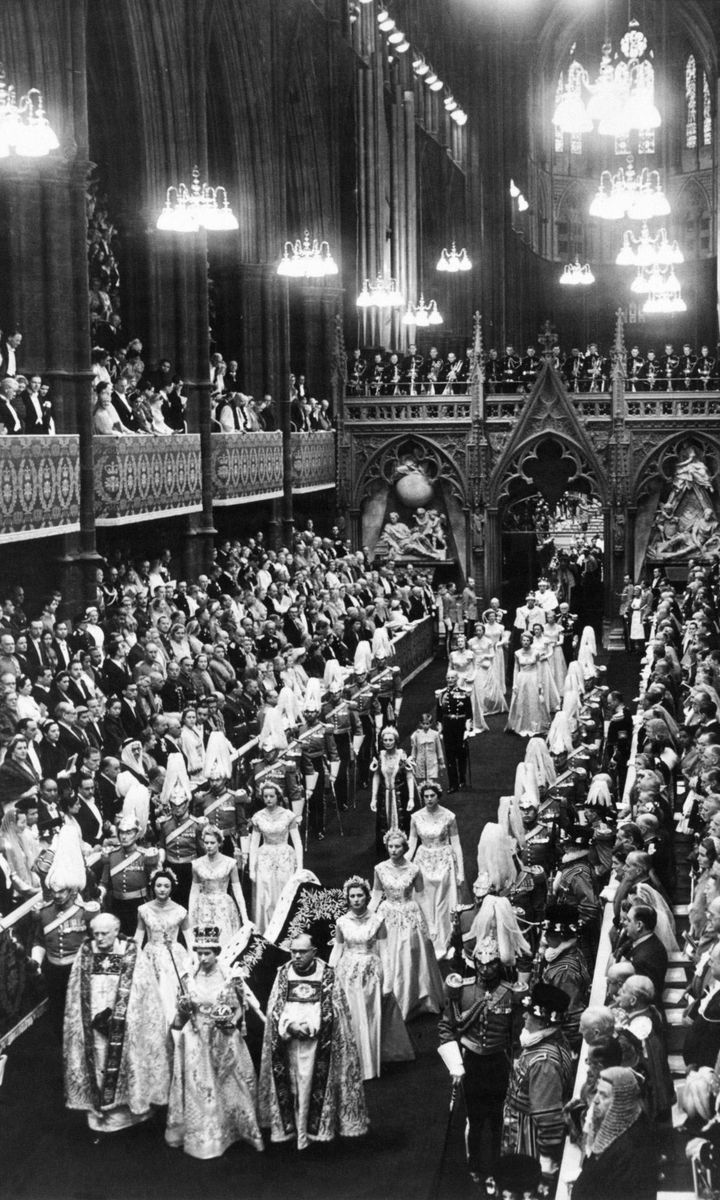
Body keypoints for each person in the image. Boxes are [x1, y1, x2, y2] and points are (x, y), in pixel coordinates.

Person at [258, 932, 369, 1150]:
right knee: (292, 1086)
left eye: (302, 952)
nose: (297, 956)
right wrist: (290, 1025)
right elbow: (274, 1008)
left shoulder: (327, 974)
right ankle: (294, 1133)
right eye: (294, 951)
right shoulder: (283, 974)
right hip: (288, 1041)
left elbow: (337, 1010)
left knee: (311, 1085)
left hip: (318, 1044)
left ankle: (315, 1134)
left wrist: (311, 1025)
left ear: (313, 952)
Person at [64, 912, 170, 1133]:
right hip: (91, 1022)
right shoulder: (85, 954)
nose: (100, 939)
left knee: (128, 1062)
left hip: (125, 1023)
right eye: (96, 934)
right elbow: (75, 994)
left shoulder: (131, 953)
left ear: (116, 932)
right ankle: (100, 1111)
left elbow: (144, 991)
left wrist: (125, 1015)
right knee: (98, 1061)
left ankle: (128, 1111)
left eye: (105, 934)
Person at [165, 924, 264, 1159]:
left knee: (230, 1084)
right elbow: (180, 1017)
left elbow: (240, 1009)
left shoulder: (231, 976)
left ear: (216, 952)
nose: (202, 957)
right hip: (196, 1039)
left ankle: (236, 1129)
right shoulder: (187, 978)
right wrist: (183, 1008)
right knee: (200, 1087)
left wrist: (229, 1020)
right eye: (199, 952)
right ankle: (204, 1137)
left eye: (207, 953)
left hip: (224, 1036)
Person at [438, 934, 522, 1183]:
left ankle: (496, 1167)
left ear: (500, 964)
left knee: (498, 1120)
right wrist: (454, 1063)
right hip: (472, 1062)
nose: (486, 969)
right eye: (482, 964)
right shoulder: (463, 991)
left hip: (498, 1062)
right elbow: (447, 1027)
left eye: (492, 963)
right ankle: (475, 1164)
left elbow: (515, 1033)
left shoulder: (509, 993)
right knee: (474, 1119)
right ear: (475, 962)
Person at [329, 875, 413, 1081]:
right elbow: (337, 950)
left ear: (367, 897)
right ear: (347, 899)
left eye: (359, 895)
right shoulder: (341, 922)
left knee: (369, 1017)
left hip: (370, 974)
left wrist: (389, 983)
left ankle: (368, 1066)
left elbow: (385, 952)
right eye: (352, 896)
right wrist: (329, 975)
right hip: (347, 974)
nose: (356, 899)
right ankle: (351, 1063)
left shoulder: (377, 920)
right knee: (350, 1017)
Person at [501, 981, 574, 1173]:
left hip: (529, 1139)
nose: (524, 1016)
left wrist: (546, 1159)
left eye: (530, 1014)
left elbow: (548, 1116)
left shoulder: (545, 1063)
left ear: (542, 1022)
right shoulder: (554, 1040)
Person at [370, 829, 445, 1018]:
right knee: (387, 954)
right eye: (390, 846)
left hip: (410, 916)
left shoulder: (414, 869)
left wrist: (432, 924)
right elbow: (376, 895)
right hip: (387, 915)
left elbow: (422, 896)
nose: (393, 850)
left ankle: (412, 1001)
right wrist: (366, 918)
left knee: (408, 955)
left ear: (405, 848)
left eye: (397, 846)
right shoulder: (379, 868)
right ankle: (388, 1001)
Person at [572, 1067, 658, 1200]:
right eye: (596, 1092)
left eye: (603, 1095)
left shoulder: (634, 1147)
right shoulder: (616, 1125)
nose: (595, 1100)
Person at [408, 780, 464, 958]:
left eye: (432, 796)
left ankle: (443, 943)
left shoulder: (449, 816)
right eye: (426, 796)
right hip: (423, 861)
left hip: (444, 862)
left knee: (442, 904)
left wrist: (460, 870)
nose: (429, 799)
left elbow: (456, 844)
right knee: (424, 901)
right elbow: (411, 844)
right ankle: (427, 941)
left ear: (438, 796)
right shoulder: (416, 817)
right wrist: (403, 866)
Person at [134, 867, 192, 1031]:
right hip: (151, 953)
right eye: (159, 885)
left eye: (166, 886)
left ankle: (173, 1025)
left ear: (171, 888)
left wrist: (191, 961)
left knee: (172, 993)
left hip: (174, 955)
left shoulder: (181, 911)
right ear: (153, 887)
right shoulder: (143, 910)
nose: (162, 889)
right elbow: (138, 937)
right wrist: (134, 956)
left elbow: (190, 940)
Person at [248, 781, 303, 933]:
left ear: (277, 797)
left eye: (271, 796)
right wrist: (252, 869)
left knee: (284, 894)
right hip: (265, 858)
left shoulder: (287, 815)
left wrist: (300, 867)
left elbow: (297, 842)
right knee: (266, 897)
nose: (268, 799)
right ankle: (265, 930)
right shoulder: (258, 817)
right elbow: (253, 844)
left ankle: (285, 930)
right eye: (265, 796)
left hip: (284, 858)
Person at [188, 823, 248, 947]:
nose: (208, 846)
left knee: (224, 941)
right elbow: (194, 892)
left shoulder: (230, 863)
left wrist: (245, 917)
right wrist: (190, 915)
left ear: (219, 843)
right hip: (203, 907)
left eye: (212, 842)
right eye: (206, 842)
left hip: (223, 907)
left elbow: (237, 891)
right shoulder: (197, 864)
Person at [370, 725, 416, 855]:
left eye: (390, 740)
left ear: (395, 740)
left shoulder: (402, 755)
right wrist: (373, 798)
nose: (388, 743)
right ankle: (387, 849)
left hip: (400, 794)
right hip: (384, 795)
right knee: (384, 823)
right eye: (385, 740)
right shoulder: (381, 755)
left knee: (402, 822)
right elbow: (377, 776)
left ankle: (402, 848)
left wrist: (411, 798)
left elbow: (409, 776)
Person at [506, 631, 549, 736]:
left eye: (528, 640)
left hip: (533, 677)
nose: (525, 642)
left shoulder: (535, 653)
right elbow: (516, 668)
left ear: (531, 641)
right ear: (521, 641)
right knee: (521, 699)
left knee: (533, 700)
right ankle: (520, 724)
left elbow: (538, 668)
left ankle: (534, 725)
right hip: (522, 677)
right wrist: (514, 684)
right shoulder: (517, 653)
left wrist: (539, 683)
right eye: (524, 640)